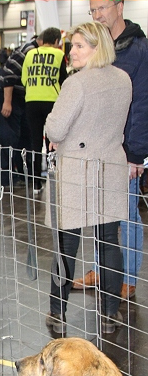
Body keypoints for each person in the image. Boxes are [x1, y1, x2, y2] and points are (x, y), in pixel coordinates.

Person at [44, 21, 131, 335]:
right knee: (109, 244)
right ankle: (109, 314)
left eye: (81, 45)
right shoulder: (124, 80)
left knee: (66, 245)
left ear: (98, 48)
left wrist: (51, 127)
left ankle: (57, 312)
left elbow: (55, 129)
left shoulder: (76, 84)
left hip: (77, 172)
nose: (73, 51)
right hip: (110, 167)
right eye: (73, 45)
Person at [73, 0, 148, 301]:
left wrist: (135, 153)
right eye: (93, 10)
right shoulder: (97, 44)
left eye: (102, 7)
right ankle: (101, 270)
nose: (98, 14)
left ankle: (126, 278)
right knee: (99, 213)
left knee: (126, 213)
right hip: (95, 145)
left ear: (120, 5)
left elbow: (143, 105)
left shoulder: (139, 49)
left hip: (124, 148)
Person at [21, 27, 68, 193]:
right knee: (51, 142)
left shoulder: (29, 54)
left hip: (32, 101)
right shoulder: (59, 55)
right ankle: (52, 178)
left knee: (35, 143)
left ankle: (35, 183)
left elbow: (24, 79)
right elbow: (64, 81)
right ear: (56, 41)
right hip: (51, 102)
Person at [0, 34, 42, 190]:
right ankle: (6, 181)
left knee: (24, 138)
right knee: (8, 139)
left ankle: (22, 176)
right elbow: (9, 75)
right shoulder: (29, 51)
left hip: (21, 97)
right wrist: (7, 102)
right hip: (9, 95)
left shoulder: (35, 51)